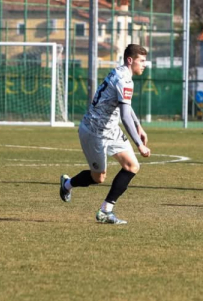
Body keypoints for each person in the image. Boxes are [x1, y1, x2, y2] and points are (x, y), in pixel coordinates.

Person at [59, 44, 151, 224]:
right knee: (99, 177)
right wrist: (139, 145)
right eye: (141, 61)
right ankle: (67, 185)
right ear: (130, 60)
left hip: (111, 130)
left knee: (132, 166)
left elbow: (125, 106)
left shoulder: (121, 74)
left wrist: (138, 125)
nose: (144, 65)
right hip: (94, 132)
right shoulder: (124, 79)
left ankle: (105, 210)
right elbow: (124, 116)